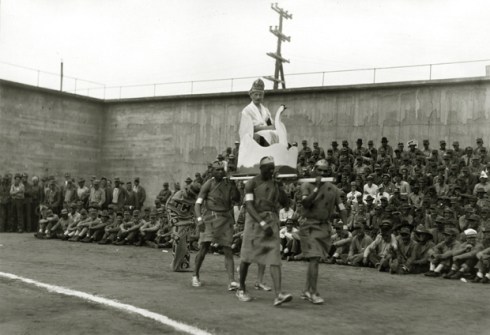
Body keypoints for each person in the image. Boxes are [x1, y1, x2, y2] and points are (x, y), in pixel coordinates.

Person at [236, 156, 292, 306]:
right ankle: (241, 288)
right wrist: (261, 223)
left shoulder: (275, 184)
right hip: (255, 222)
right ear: (261, 169)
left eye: (273, 168)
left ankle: (278, 294)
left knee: (275, 258)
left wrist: (280, 187)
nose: (272, 171)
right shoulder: (251, 183)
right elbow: (249, 205)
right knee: (247, 258)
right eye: (269, 168)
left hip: (272, 221)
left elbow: (286, 203)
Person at [299, 160, 348, 304]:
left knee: (315, 260)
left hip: (324, 227)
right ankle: (313, 292)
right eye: (319, 170)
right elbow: (306, 203)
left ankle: (307, 290)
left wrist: (345, 227)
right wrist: (317, 188)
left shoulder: (333, 189)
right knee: (314, 258)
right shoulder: (306, 185)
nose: (322, 173)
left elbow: (342, 209)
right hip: (309, 226)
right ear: (314, 170)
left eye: (325, 171)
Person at [192, 160, 240, 290]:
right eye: (217, 170)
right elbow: (198, 204)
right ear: (212, 171)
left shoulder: (228, 184)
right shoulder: (208, 184)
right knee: (204, 248)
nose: (220, 172)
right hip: (210, 218)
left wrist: (234, 185)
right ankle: (195, 275)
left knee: (228, 250)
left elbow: (236, 199)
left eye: (221, 170)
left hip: (225, 219)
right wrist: (200, 219)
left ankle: (231, 281)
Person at [167, 182, 201, 271]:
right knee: (178, 241)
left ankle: (183, 265)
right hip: (177, 219)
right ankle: (176, 265)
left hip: (187, 220)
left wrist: (193, 220)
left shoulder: (194, 199)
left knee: (186, 242)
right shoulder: (178, 195)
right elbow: (170, 206)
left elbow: (194, 210)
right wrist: (174, 219)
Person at [239, 79, 278, 146]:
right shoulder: (247, 111)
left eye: (260, 95)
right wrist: (265, 128)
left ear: (263, 96)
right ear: (251, 95)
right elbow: (248, 130)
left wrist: (269, 127)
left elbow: (271, 125)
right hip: (253, 141)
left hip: (268, 138)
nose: (258, 97)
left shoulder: (266, 111)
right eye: (256, 94)